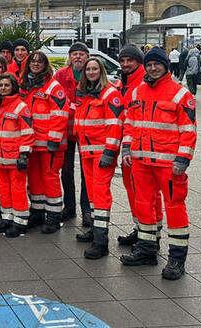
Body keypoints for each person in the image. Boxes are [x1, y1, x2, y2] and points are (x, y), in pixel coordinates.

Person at [120, 47, 197, 280]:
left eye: (158, 64)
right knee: (144, 204)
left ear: (166, 66)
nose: (153, 68)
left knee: (174, 207)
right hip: (141, 162)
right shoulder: (137, 93)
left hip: (169, 164)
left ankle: (176, 259)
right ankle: (146, 250)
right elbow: (129, 123)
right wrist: (126, 147)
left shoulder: (180, 94)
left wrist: (183, 159)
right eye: (150, 64)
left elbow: (188, 130)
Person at [73, 57, 124, 259]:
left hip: (102, 152)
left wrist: (110, 153)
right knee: (93, 194)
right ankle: (95, 229)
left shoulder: (110, 94)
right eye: (88, 69)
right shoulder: (84, 94)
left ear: (101, 71)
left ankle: (101, 242)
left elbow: (115, 125)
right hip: (87, 151)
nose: (91, 72)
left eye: (95, 69)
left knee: (100, 195)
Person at [115, 44, 163, 247]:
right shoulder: (123, 83)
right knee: (133, 190)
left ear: (138, 62)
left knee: (148, 194)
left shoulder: (141, 84)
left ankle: (152, 233)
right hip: (129, 146)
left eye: (130, 61)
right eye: (123, 61)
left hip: (143, 148)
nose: (126, 64)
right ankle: (141, 229)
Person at [20, 51, 69, 234]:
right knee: (34, 179)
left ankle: (54, 217)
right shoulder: (25, 85)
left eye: (40, 62)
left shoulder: (53, 87)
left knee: (50, 178)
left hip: (49, 143)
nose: (36, 64)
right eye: (33, 61)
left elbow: (61, 113)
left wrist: (54, 139)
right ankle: (38, 213)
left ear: (45, 64)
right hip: (32, 143)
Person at [0, 73, 35, 237]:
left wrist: (24, 154)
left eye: (7, 85)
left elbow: (27, 133)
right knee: (3, 189)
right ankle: (7, 218)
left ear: (13, 86)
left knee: (18, 190)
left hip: (15, 159)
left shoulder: (21, 107)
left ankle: (20, 222)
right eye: (1, 85)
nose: (3, 88)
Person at [54, 41, 90, 226]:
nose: (77, 57)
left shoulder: (92, 73)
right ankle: (69, 207)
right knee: (66, 169)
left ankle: (87, 210)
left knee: (87, 172)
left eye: (81, 54)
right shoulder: (60, 75)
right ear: (69, 57)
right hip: (66, 130)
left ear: (87, 57)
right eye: (74, 54)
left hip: (86, 131)